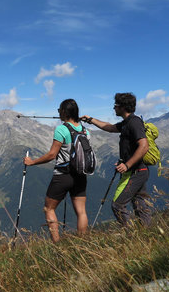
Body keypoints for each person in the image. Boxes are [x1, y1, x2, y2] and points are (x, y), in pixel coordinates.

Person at [81, 92, 151, 227]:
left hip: (135, 171)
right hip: (139, 170)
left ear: (123, 107)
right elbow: (110, 127)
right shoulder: (127, 122)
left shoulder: (134, 123)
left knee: (117, 205)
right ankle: (146, 234)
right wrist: (90, 119)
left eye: (116, 105)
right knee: (139, 204)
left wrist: (127, 165)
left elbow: (144, 146)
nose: (114, 108)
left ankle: (132, 234)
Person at [24, 99, 89, 242]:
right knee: (81, 211)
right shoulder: (85, 130)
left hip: (63, 175)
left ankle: (57, 244)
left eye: (59, 110)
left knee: (49, 209)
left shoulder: (62, 129)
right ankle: (83, 244)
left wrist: (32, 162)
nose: (58, 113)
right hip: (80, 175)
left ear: (65, 112)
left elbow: (52, 155)